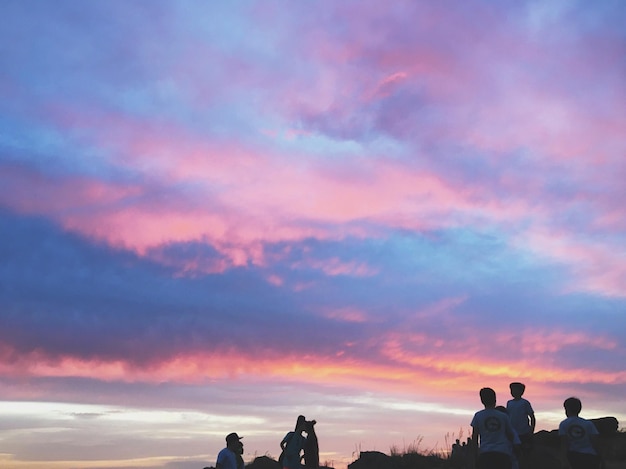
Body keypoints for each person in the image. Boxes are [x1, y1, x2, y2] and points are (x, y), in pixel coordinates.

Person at [471, 387, 516, 469]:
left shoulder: (478, 416)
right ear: (495, 399)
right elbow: (510, 435)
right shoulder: (504, 416)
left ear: (482, 400)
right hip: (503, 453)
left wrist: (475, 457)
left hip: (485, 453)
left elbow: (474, 438)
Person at [559, 397, 602, 469]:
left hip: (573, 457)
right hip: (590, 457)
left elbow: (564, 444)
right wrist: (601, 458)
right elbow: (595, 443)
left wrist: (564, 460)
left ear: (566, 409)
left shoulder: (564, 424)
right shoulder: (588, 424)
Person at [506, 382, 535, 466]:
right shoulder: (509, 403)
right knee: (514, 454)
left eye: (515, 390)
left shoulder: (525, 403)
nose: (513, 392)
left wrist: (531, 430)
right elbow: (507, 417)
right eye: (511, 390)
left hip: (524, 432)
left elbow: (532, 417)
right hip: (512, 433)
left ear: (521, 391)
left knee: (525, 453)